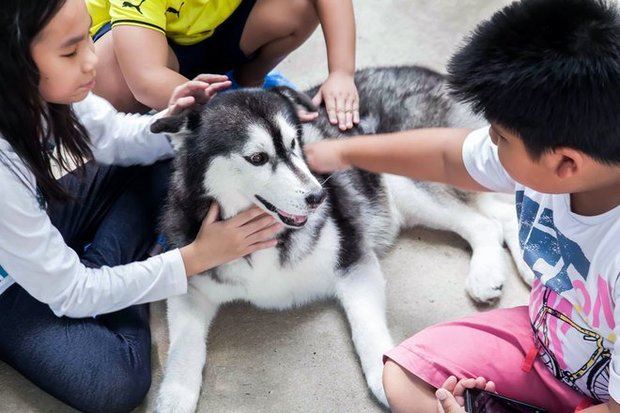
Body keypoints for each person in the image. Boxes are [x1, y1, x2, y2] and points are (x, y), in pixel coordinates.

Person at [303, 0, 620, 412]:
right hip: (549, 343)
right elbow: (447, 157)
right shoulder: (572, 161)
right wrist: (343, 152)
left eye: (501, 137)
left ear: (565, 163)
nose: (489, 142)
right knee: (406, 377)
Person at [0, 0, 282, 411]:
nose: (92, 59)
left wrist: (175, 119)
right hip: (8, 286)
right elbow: (70, 293)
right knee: (115, 384)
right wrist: (193, 259)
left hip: (36, 222)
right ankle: (118, 274)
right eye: (71, 51)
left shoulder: (40, 93)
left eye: (86, 39)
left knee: (177, 157)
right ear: (15, 62)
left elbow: (114, 135)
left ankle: (108, 272)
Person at [86, 0, 360, 131]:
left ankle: (248, 82)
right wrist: (247, 110)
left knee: (300, 5)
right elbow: (145, 78)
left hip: (214, 30)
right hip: (155, 51)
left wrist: (341, 72)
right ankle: (219, 101)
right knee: (109, 73)